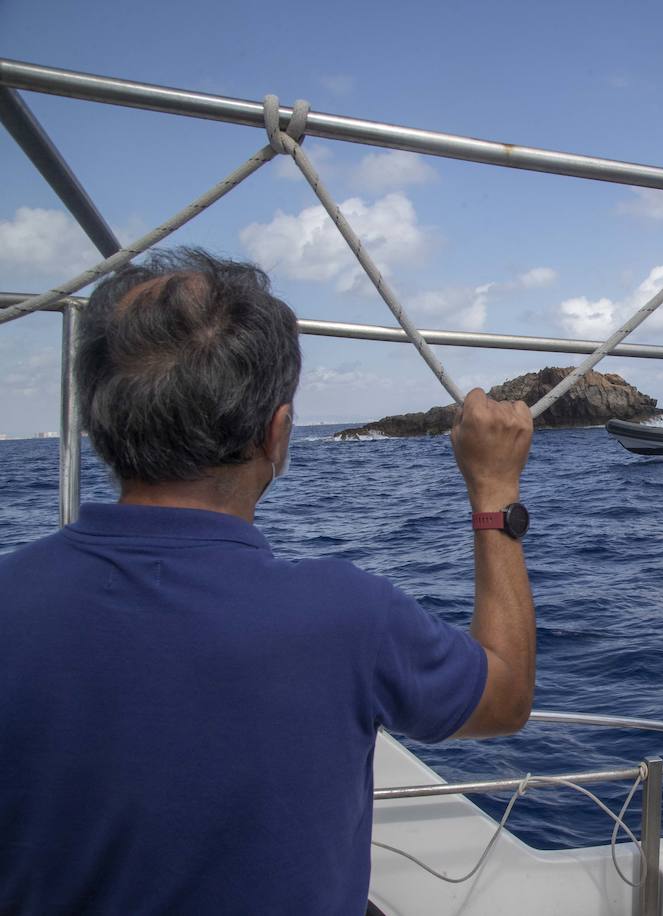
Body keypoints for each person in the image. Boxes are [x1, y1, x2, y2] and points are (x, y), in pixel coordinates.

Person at [0, 249, 536, 915]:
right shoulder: (346, 615)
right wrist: (495, 492)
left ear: (96, 422)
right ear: (277, 435)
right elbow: (506, 695)